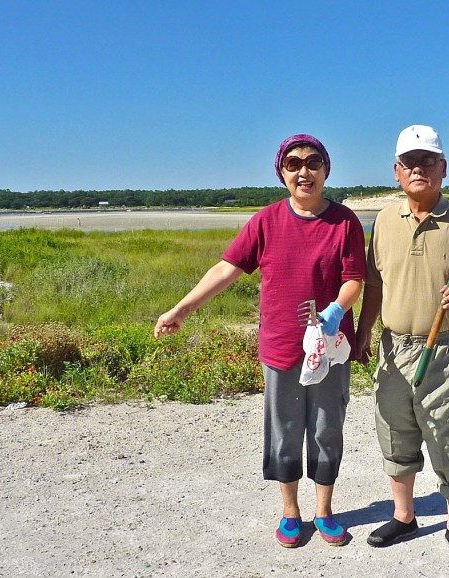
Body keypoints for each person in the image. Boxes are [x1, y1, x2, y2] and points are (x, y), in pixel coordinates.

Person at [154, 134, 366, 548]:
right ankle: (291, 512)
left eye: (313, 162)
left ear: (326, 170)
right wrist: (181, 309)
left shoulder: (345, 222)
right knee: (284, 430)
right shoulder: (266, 221)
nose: (304, 171)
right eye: (293, 164)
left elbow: (354, 279)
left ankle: (324, 511)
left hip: (329, 348)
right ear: (281, 172)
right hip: (281, 347)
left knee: (327, 429)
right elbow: (226, 269)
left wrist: (336, 311)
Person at [355, 125, 449, 565]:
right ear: (397, 171)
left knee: (445, 434)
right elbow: (374, 284)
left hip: (446, 348)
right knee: (394, 429)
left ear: (443, 168)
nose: (419, 169)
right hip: (393, 346)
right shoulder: (384, 221)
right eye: (410, 162)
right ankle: (404, 516)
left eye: (428, 161)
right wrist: (363, 332)